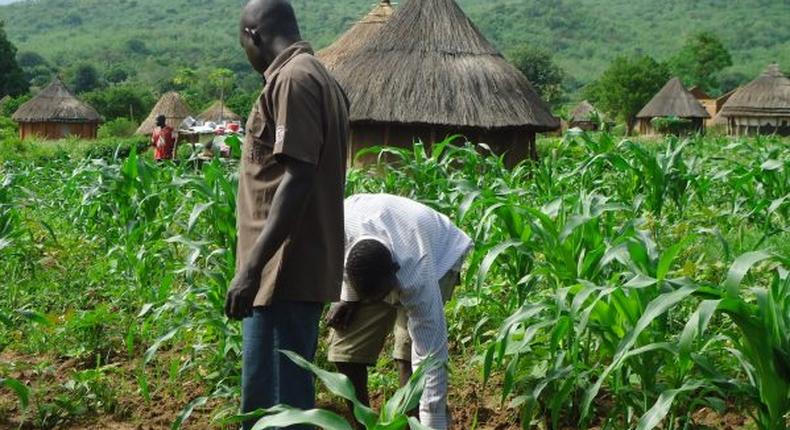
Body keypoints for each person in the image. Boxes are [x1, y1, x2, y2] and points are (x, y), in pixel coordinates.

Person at [224, 1, 350, 429]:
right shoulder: (315, 75)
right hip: (284, 272)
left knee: (275, 410)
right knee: (279, 400)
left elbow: (298, 178)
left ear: (252, 35)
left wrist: (252, 268)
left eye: (242, 42)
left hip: (281, 274)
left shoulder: (294, 79)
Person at [327, 193, 472, 430]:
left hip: (440, 254)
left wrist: (432, 426)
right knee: (345, 353)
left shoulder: (417, 275)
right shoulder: (338, 228)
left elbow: (431, 361)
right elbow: (343, 260)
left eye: (386, 295)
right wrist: (348, 298)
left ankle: (410, 425)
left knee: (409, 359)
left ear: (396, 273)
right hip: (370, 254)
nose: (387, 302)